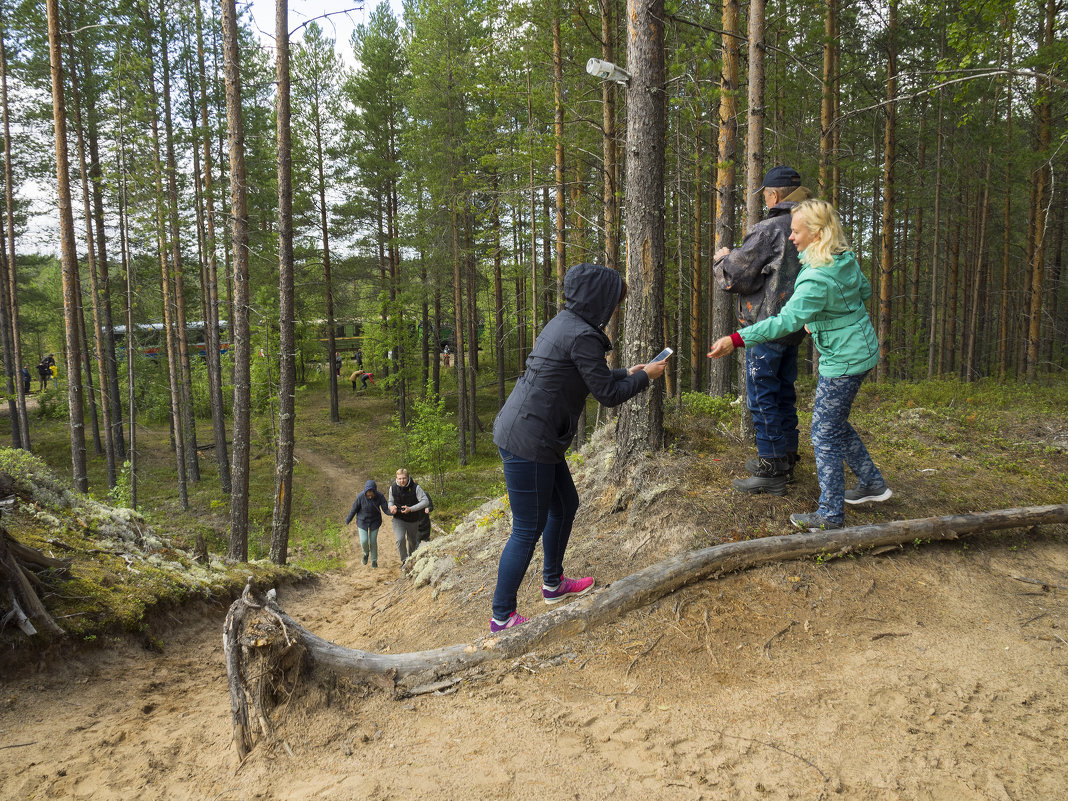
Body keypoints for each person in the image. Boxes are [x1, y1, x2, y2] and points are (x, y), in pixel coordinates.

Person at [489, 262, 668, 633]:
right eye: (614, 302)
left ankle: (553, 584)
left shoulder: (568, 324)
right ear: (599, 299)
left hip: (535, 433)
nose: (615, 309)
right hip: (529, 439)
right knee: (526, 528)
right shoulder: (582, 334)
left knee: (566, 504)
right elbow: (606, 394)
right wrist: (646, 379)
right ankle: (502, 617)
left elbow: (592, 376)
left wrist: (631, 372)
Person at [708, 199, 892, 532]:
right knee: (834, 422)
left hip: (845, 360)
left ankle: (831, 515)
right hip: (860, 347)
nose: (791, 237)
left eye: (796, 231)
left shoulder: (817, 276)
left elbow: (783, 323)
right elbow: (861, 291)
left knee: (823, 434)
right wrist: (825, 317)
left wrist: (735, 339)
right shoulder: (841, 257)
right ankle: (872, 483)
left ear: (817, 232)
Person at [713, 165, 812, 495]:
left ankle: (771, 468)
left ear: (773, 195)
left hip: (767, 325)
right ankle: (786, 457)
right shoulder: (811, 224)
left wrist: (723, 259)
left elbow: (737, 277)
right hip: (796, 324)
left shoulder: (769, 228)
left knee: (762, 394)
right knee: (784, 392)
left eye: (767, 194)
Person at [345, 479, 392, 567]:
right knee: (364, 541)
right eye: (368, 495)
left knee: (373, 541)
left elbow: (385, 509)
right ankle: (366, 554)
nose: (370, 496)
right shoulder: (360, 496)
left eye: (372, 495)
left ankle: (374, 560)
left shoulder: (380, 496)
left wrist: (392, 512)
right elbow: (354, 509)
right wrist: (348, 519)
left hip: (375, 521)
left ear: (375, 491)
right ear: (365, 492)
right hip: (362, 521)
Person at [388, 468, 429, 565]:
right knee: (400, 539)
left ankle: (411, 559)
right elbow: (390, 501)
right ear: (396, 478)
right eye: (399, 479)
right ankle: (404, 561)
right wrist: (391, 507)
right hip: (398, 519)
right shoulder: (392, 488)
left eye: (404, 478)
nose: (401, 481)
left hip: (413, 519)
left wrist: (411, 509)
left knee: (412, 541)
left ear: (408, 477)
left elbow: (425, 501)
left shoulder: (416, 488)